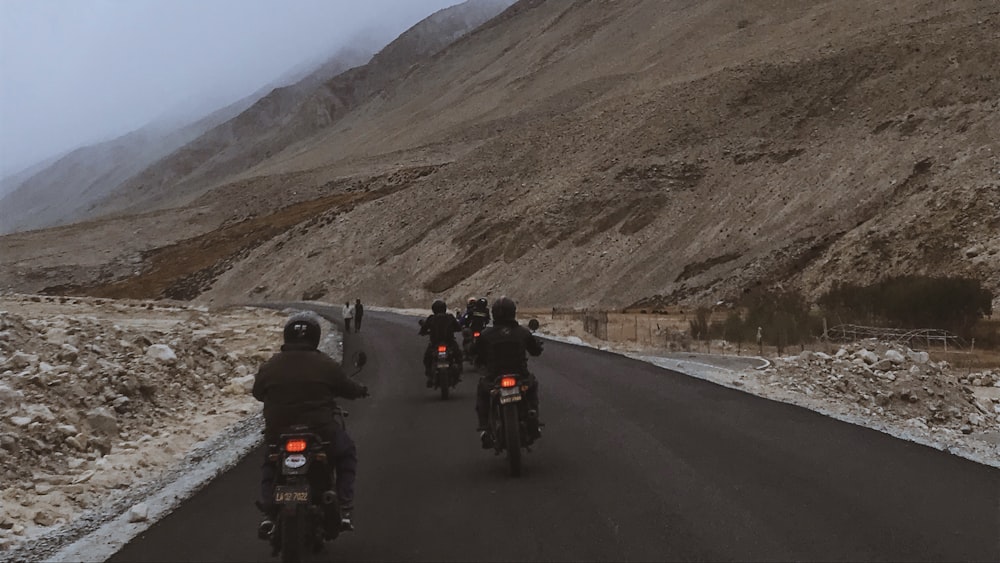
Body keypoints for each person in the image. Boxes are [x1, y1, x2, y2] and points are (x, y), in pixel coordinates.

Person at [252, 311, 369, 537]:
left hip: (279, 432)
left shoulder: (270, 366)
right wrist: (361, 390)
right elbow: (348, 387)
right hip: (321, 431)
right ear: (315, 337)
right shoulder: (325, 364)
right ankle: (344, 507)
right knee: (346, 454)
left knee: (270, 462)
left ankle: (268, 512)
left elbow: (257, 393)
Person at [473, 296, 543, 448]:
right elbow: (535, 351)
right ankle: (532, 415)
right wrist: (537, 347)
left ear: (494, 313)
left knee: (482, 391)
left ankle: (484, 429)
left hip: (494, 378)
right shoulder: (522, 332)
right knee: (532, 385)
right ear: (513, 312)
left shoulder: (486, 335)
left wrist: (479, 361)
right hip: (520, 377)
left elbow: (476, 353)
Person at [418, 299, 463, 387]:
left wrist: (423, 331)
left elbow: (424, 329)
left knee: (427, 359)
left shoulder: (431, 318)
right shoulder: (450, 317)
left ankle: (429, 376)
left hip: (435, 344)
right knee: (458, 356)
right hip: (449, 343)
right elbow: (458, 327)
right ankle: (458, 373)